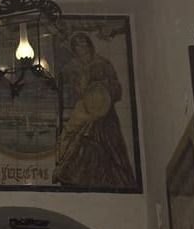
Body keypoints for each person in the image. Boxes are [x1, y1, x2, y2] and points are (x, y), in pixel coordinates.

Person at [53, 32, 137, 189]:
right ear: (74, 48)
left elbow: (116, 90)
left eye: (84, 43)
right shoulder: (70, 68)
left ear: (89, 44)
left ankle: (115, 181)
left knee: (109, 146)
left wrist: (102, 91)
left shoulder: (103, 64)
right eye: (77, 44)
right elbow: (65, 92)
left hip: (103, 113)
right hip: (83, 111)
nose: (81, 47)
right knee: (81, 147)